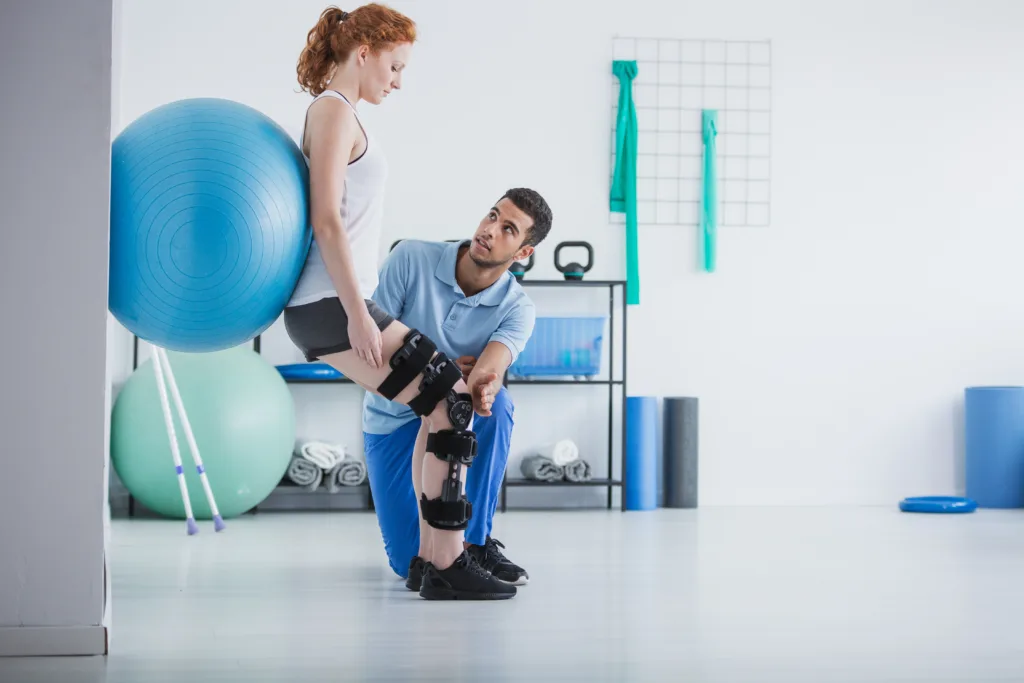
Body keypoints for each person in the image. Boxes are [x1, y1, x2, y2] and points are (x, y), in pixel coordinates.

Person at [283, 5, 513, 600]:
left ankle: (433, 562)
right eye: (395, 65)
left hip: (332, 301)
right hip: (332, 302)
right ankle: (444, 563)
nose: (398, 80)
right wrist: (360, 311)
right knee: (451, 403)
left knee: (443, 406)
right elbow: (326, 220)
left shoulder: (342, 113)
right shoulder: (333, 112)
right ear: (364, 53)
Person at [361, 188, 553, 593]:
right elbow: (370, 351)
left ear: (523, 254)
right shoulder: (411, 258)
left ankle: (476, 544)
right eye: (491, 216)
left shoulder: (519, 309)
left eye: (507, 229)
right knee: (409, 563)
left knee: (495, 404)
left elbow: (490, 369)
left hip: (453, 419)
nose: (489, 230)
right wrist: (445, 366)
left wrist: (481, 380)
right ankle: (450, 547)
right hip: (391, 421)